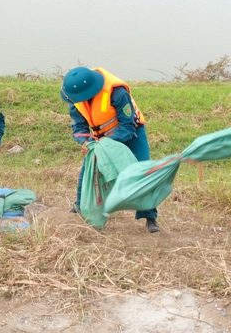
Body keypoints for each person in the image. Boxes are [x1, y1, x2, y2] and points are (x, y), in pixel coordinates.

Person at [61, 67, 160, 233]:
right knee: (88, 171)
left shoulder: (117, 93)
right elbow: (79, 127)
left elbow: (128, 127)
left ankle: (150, 216)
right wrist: (84, 141)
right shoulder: (75, 97)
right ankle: (80, 206)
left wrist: (106, 143)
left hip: (131, 133)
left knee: (143, 171)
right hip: (100, 137)